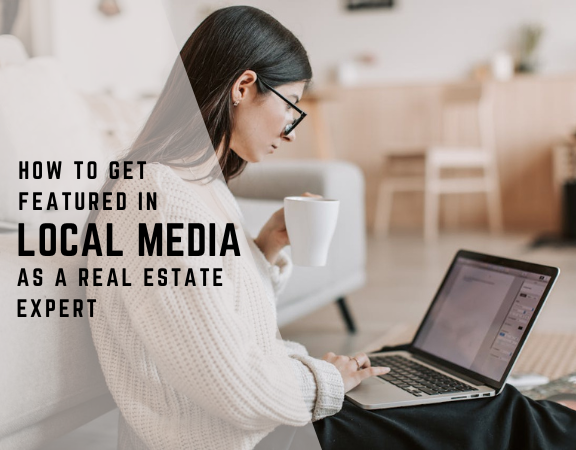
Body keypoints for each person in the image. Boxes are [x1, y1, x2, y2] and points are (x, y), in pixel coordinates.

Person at [84, 5, 576, 450]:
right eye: (291, 105)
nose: (290, 130)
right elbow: (233, 386)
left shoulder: (197, 185)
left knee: (480, 402)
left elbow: (224, 325)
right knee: (497, 413)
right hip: (254, 439)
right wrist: (326, 381)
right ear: (242, 87)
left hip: (267, 424)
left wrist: (264, 249)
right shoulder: (156, 197)